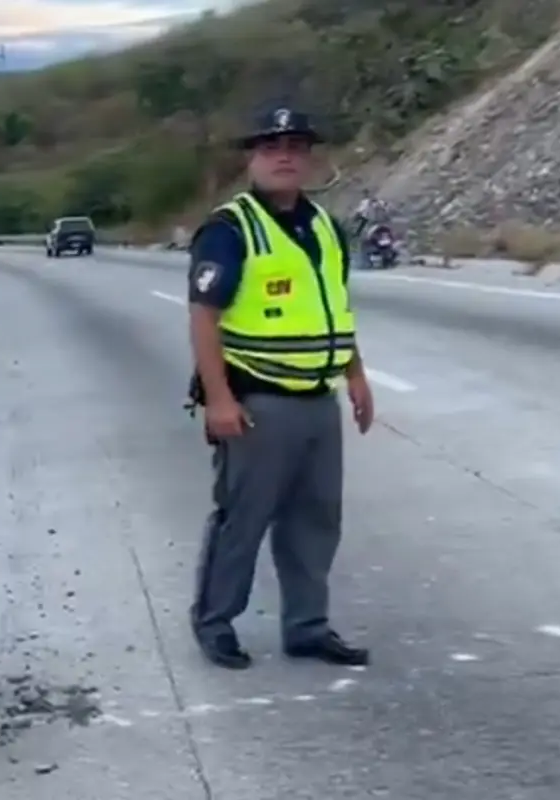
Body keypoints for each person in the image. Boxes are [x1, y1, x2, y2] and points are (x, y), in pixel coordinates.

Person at [186, 105, 374, 670]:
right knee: (242, 519)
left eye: (295, 145)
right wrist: (218, 399)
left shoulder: (325, 226)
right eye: (271, 146)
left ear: (310, 157)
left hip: (319, 401)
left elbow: (333, 310)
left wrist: (356, 374)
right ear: (252, 158)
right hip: (258, 405)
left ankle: (307, 627)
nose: (285, 155)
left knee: (315, 521)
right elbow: (203, 317)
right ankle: (216, 624)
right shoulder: (229, 230)